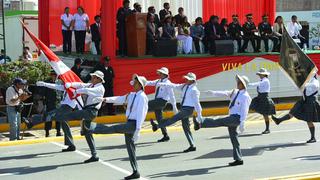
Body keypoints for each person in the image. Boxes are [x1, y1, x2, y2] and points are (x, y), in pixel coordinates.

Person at [87, 74, 148, 180]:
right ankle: (135, 171)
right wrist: (104, 99)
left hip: (133, 125)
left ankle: (92, 128)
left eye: (136, 83)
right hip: (129, 122)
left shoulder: (143, 97)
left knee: (114, 128)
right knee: (131, 149)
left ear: (140, 85)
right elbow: (119, 99)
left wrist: (138, 130)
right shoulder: (132, 95)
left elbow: (141, 114)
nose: (134, 84)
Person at [193, 75, 251, 166]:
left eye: (240, 82)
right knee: (234, 139)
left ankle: (201, 123)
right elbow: (225, 93)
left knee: (219, 121)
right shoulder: (235, 92)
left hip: (236, 118)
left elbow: (245, 110)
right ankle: (239, 159)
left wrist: (242, 122)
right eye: (238, 81)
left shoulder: (245, 96)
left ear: (244, 85)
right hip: (232, 116)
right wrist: (213, 93)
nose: (237, 83)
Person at [57, 71, 105, 163]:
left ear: (99, 79)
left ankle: (95, 129)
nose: (92, 78)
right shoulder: (91, 85)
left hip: (91, 111)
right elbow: (80, 84)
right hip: (87, 111)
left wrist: (76, 92)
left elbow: (86, 91)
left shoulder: (100, 88)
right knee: (88, 133)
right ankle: (94, 154)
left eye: (94, 77)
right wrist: (70, 84)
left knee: (68, 116)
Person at [150, 72, 203, 153]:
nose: (186, 80)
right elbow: (174, 85)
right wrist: (164, 84)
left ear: (192, 81)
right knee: (186, 128)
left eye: (188, 79)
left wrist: (199, 116)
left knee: (174, 118)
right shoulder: (184, 86)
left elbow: (197, 104)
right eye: (186, 79)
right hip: (183, 109)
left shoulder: (195, 90)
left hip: (188, 110)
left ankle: (157, 126)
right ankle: (192, 145)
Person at [30, 78, 81, 153]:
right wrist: (44, 84)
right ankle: (71, 145)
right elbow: (55, 86)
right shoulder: (65, 87)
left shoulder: (74, 88)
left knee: (50, 115)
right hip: (63, 106)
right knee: (65, 125)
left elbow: (79, 97)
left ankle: (33, 121)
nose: (63, 82)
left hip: (67, 107)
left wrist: (81, 109)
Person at [272, 75, 320, 143]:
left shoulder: (314, 81)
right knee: (293, 112)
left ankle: (313, 137)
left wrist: (305, 84)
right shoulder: (306, 81)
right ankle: (279, 120)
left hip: (310, 101)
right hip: (303, 100)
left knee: (309, 120)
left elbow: (315, 86)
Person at [145, 67, 178, 142]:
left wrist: (174, 106)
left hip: (161, 102)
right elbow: (150, 82)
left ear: (165, 74)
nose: (160, 74)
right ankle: (165, 135)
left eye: (161, 73)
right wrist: (141, 81)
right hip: (157, 101)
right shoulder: (158, 81)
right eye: (160, 73)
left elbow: (172, 95)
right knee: (159, 119)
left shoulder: (168, 83)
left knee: (145, 105)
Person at [248, 68, 276, 134]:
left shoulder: (265, 80)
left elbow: (257, 84)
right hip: (260, 97)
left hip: (264, 98)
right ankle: (269, 125)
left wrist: (248, 84)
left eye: (260, 74)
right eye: (259, 74)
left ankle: (267, 129)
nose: (259, 75)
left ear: (264, 75)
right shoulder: (262, 80)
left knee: (265, 114)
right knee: (253, 107)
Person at [42, 71, 62, 137]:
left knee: (58, 118)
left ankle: (58, 131)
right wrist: (44, 103)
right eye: (52, 75)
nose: (54, 76)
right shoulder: (47, 82)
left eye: (55, 75)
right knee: (48, 117)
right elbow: (44, 93)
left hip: (58, 102)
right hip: (49, 102)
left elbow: (61, 92)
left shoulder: (59, 82)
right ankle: (47, 132)